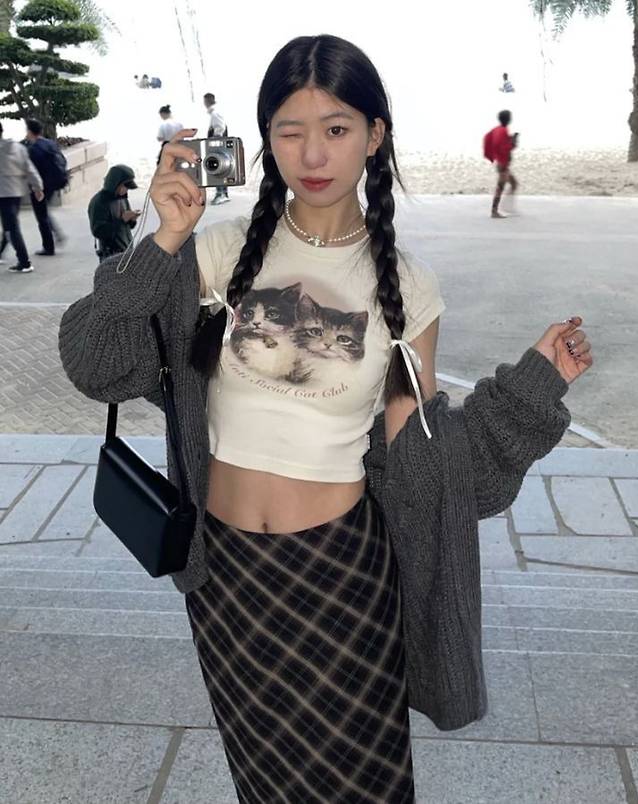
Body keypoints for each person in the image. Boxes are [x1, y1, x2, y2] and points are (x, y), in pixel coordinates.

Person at [58, 35, 593, 802]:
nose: (313, 153)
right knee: (266, 784)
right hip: (227, 582)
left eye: (336, 128)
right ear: (264, 139)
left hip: (344, 580)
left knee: (361, 785)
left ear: (375, 136)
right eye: (290, 130)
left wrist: (532, 388)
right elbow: (96, 365)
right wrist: (162, 238)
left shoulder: (408, 287)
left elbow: (431, 467)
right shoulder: (214, 256)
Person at [0, 120, 44, 273]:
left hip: (3, 194)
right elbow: (30, 169)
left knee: (11, 228)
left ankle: (24, 262)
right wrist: (38, 187)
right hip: (17, 192)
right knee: (9, 225)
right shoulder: (18, 148)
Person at [24, 118, 68, 256]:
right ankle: (57, 233)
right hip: (54, 184)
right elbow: (63, 160)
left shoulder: (33, 149)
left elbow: (32, 172)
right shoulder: (50, 143)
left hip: (41, 187)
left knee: (41, 216)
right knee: (44, 212)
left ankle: (49, 247)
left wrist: (35, 188)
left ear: (30, 132)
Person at [87, 164, 141, 261]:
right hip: (110, 254)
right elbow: (98, 231)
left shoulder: (122, 198)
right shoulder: (99, 202)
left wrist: (132, 219)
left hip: (126, 250)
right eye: (125, 187)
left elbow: (128, 226)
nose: (126, 190)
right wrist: (122, 220)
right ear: (115, 184)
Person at [484, 109, 519, 218]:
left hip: (502, 164)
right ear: (508, 119)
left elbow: (490, 139)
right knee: (500, 187)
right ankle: (495, 211)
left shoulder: (499, 129)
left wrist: (511, 139)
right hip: (502, 164)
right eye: (510, 117)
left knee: (514, 184)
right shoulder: (502, 130)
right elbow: (502, 146)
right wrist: (513, 142)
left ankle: (507, 206)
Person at [203, 91, 230, 204]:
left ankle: (221, 193)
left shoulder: (215, 113)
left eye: (205, 101)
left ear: (208, 101)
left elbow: (220, 127)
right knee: (221, 168)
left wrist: (215, 139)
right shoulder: (216, 112)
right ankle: (223, 193)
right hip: (219, 143)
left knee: (218, 168)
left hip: (217, 143)